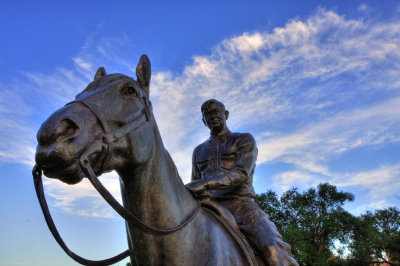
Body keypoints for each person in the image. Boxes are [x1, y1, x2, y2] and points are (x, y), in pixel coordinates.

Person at [185, 99, 298, 266]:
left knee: (271, 248)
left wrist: (203, 184)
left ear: (226, 115)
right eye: (207, 114)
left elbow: (240, 173)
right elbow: (194, 183)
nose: (212, 116)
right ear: (203, 121)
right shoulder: (198, 151)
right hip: (208, 209)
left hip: (241, 206)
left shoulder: (244, 140)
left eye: (216, 111)